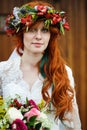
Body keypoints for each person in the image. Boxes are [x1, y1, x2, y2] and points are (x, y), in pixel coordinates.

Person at [0, 1, 81, 130]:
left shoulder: (63, 72)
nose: (38, 36)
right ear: (22, 34)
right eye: (32, 30)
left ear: (51, 35)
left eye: (44, 30)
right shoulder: (3, 70)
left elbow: (72, 124)